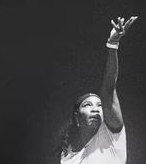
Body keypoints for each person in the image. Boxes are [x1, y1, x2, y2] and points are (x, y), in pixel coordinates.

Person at [57, 16, 138, 164]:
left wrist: (113, 44)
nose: (95, 109)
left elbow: (108, 90)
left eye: (99, 105)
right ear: (76, 117)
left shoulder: (111, 136)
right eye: (88, 105)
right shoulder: (67, 158)